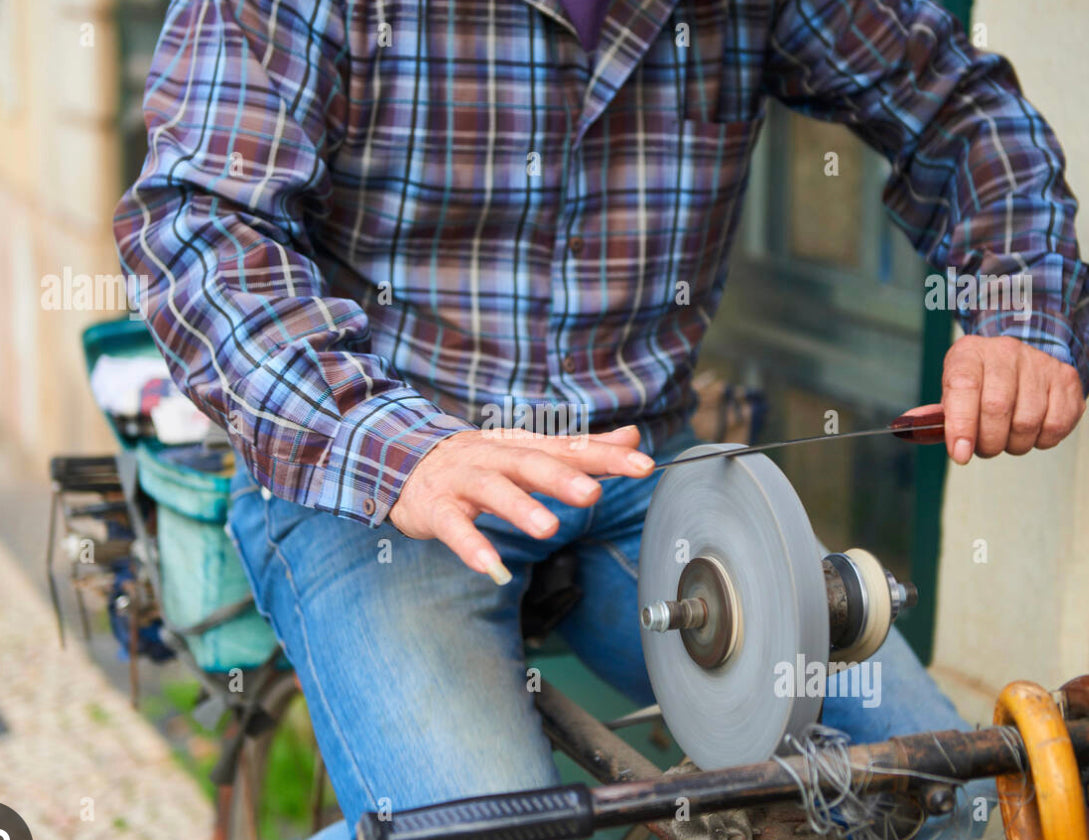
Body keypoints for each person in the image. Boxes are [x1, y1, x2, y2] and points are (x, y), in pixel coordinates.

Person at [113, 0, 1087, 836]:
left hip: (638, 466)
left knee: (956, 796)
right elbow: (198, 223)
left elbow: (959, 110)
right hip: (378, 479)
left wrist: (1019, 311)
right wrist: (390, 444)